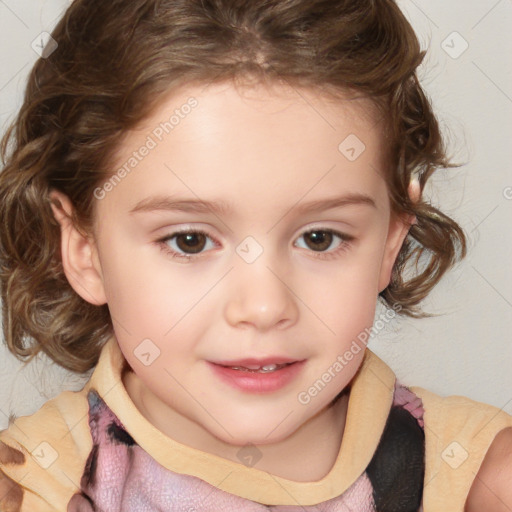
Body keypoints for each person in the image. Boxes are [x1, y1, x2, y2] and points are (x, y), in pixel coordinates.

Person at [0, 0, 510, 510]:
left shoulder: (480, 480)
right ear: (85, 249)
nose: (264, 307)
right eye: (190, 241)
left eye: (319, 238)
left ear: (390, 242)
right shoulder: (31, 489)